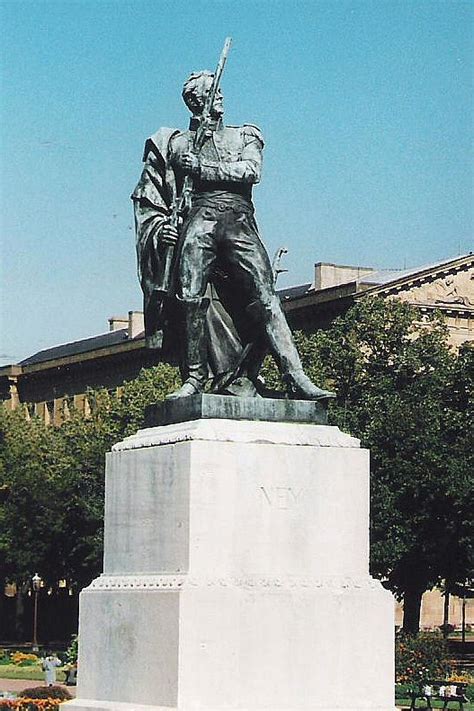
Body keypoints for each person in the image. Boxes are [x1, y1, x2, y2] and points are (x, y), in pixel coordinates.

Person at [132, 70, 335, 401]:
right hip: (199, 219)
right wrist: (163, 230)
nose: (221, 95)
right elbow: (158, 201)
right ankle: (195, 378)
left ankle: (296, 376)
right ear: (197, 102)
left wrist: (201, 168)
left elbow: (251, 171)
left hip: (237, 218)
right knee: (190, 297)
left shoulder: (245, 135)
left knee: (265, 296)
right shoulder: (175, 144)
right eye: (213, 91)